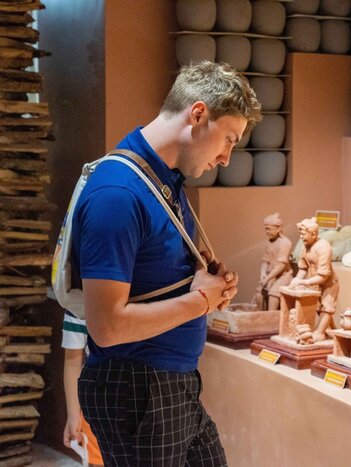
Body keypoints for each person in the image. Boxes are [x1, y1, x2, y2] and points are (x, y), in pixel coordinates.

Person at [73, 61, 261, 466]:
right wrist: (201, 303)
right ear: (197, 115)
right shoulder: (118, 193)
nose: (227, 157)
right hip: (136, 386)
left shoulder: (163, 180)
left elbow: (159, 275)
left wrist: (202, 279)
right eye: (228, 139)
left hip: (168, 383)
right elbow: (106, 328)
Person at [62, 311, 103, 467]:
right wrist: (73, 415)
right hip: (96, 403)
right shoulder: (76, 301)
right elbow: (73, 360)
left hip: (145, 395)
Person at [289, 217, 338, 342]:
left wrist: (304, 282)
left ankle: (320, 332)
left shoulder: (324, 247)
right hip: (314, 282)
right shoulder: (305, 246)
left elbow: (323, 276)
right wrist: (295, 281)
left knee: (327, 307)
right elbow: (303, 268)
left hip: (329, 283)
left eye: (304, 234)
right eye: (300, 234)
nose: (301, 237)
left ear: (313, 234)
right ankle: (332, 330)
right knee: (318, 307)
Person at [254, 213, 293, 311]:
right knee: (260, 293)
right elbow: (265, 261)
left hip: (283, 275)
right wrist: (263, 274)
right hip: (271, 275)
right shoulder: (269, 242)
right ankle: (261, 318)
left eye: (269, 229)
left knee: (273, 295)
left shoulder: (285, 243)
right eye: (265, 229)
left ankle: (271, 319)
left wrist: (267, 279)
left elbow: (281, 265)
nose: (266, 232)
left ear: (278, 229)